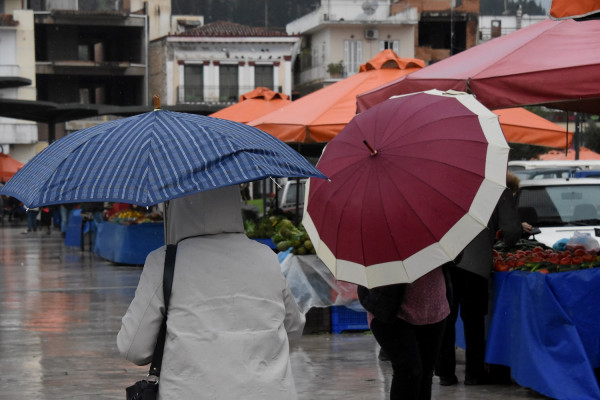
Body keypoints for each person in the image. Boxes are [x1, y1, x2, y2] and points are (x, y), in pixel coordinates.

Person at [117, 185, 305, 399]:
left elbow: (134, 348)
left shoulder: (165, 262)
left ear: (176, 205)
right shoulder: (267, 257)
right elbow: (293, 327)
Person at [435, 187, 522, 386]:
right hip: (476, 262)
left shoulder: (440, 182)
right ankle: (474, 373)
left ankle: (445, 373)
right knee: (474, 319)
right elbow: (512, 230)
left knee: (445, 317)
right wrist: (506, 241)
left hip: (443, 259)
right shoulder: (495, 185)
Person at [358, 264, 451, 400]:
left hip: (433, 307)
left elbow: (455, 256)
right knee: (409, 371)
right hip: (390, 310)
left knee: (425, 373)